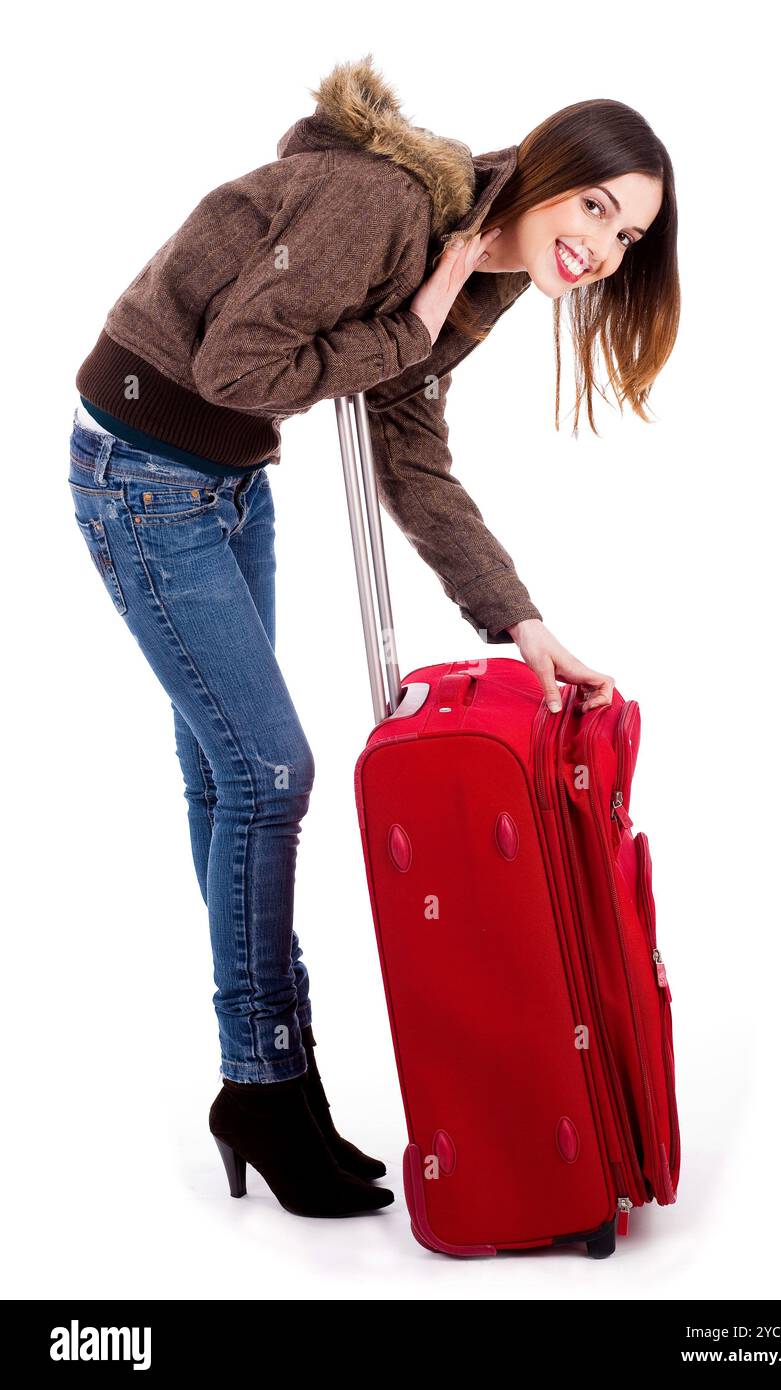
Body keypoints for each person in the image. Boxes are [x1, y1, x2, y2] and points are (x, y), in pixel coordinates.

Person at [69, 53, 678, 1220]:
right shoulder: (393, 208)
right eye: (594, 205)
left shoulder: (479, 278)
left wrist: (517, 619)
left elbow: (407, 452)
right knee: (268, 773)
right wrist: (406, 324)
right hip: (141, 472)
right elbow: (235, 364)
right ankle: (263, 1077)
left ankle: (273, 1091)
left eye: (629, 236)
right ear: (546, 168)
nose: (601, 247)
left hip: (223, 482)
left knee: (226, 778)